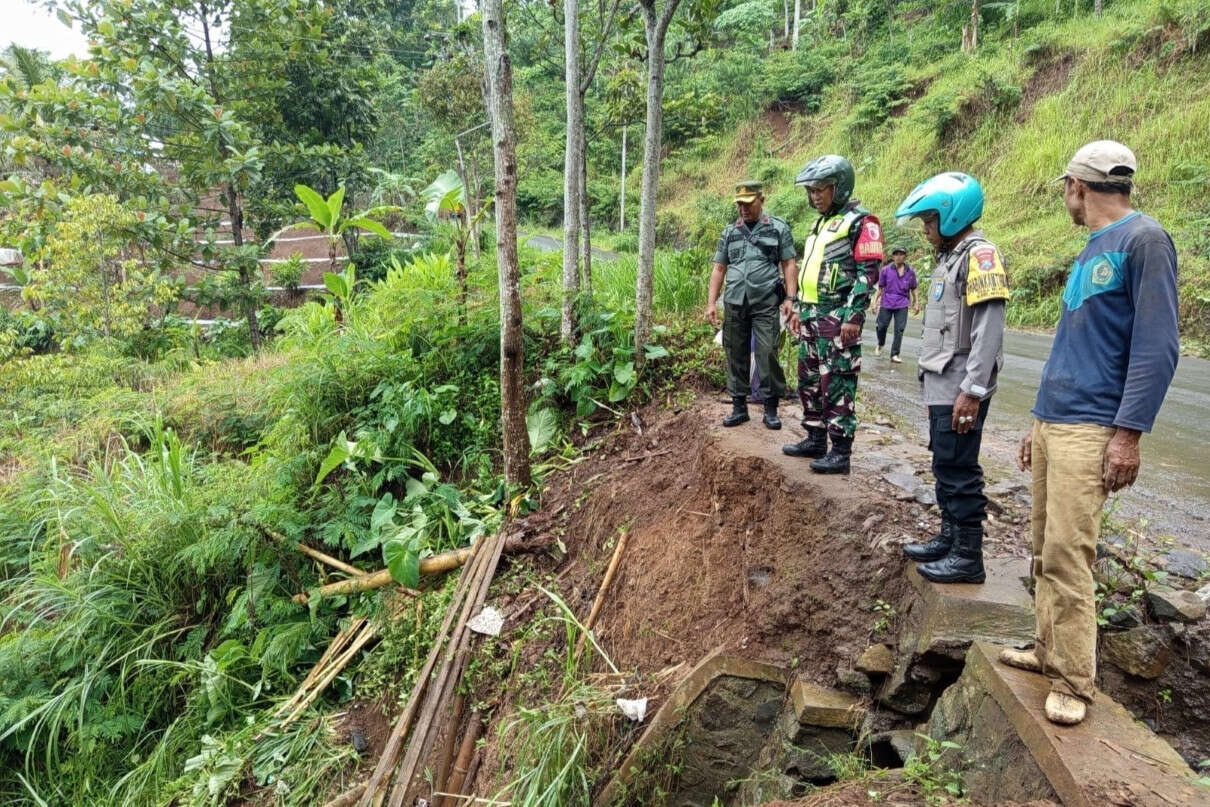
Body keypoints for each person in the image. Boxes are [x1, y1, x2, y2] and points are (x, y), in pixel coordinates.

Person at [1001, 141, 1179, 727]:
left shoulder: (1143, 240)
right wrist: (1036, 420)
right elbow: (1068, 347)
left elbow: (1158, 347)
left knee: (1070, 553)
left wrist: (1127, 434)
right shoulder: (1090, 250)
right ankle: (1047, 649)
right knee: (1042, 547)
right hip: (1057, 420)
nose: (1065, 199)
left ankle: (1075, 681)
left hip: (1092, 426)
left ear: (1078, 186)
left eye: (1065, 189)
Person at [895, 172, 1007, 586]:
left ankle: (967, 555)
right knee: (944, 461)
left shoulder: (981, 256)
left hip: (962, 384)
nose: (925, 232)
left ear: (951, 216)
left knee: (959, 467)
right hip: (943, 379)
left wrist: (973, 390)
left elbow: (988, 327)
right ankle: (949, 537)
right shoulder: (951, 258)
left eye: (928, 223)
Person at [782, 155, 883, 474]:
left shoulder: (862, 222)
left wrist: (854, 316)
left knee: (837, 382)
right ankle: (815, 438)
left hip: (837, 318)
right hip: (811, 315)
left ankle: (840, 450)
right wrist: (799, 306)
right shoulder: (820, 222)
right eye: (811, 190)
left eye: (821, 190)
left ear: (838, 188)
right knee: (809, 380)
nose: (814, 196)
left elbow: (869, 273)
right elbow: (811, 270)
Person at [706, 181, 798, 429]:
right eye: (739, 205)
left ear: (761, 200)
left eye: (748, 204)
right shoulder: (730, 232)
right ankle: (739, 407)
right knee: (735, 352)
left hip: (765, 302)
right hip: (735, 301)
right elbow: (719, 268)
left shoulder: (777, 228)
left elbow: (789, 264)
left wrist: (790, 298)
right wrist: (711, 303)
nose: (743, 209)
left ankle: (770, 409)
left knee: (767, 352)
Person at [872, 246, 918, 362]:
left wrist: (916, 302)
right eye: (896, 254)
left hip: (902, 303)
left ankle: (894, 354)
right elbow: (880, 287)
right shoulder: (886, 270)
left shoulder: (910, 272)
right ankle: (880, 343)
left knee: (900, 329)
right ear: (893, 256)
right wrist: (874, 302)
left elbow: (914, 288)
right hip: (887, 302)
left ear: (905, 256)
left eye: (901, 254)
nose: (898, 256)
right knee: (881, 326)